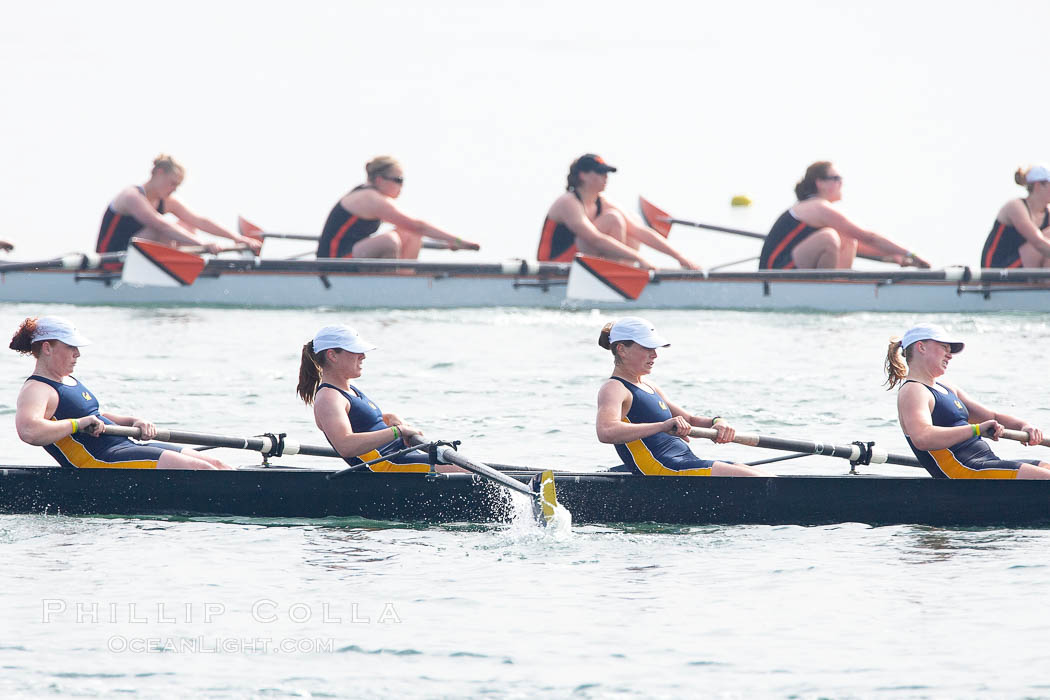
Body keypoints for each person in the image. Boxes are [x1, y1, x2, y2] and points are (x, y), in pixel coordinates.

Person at [11, 316, 232, 470]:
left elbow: (95, 415)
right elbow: (29, 431)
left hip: (126, 447)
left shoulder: (67, 380)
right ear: (47, 348)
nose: (77, 354)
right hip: (100, 462)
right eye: (70, 347)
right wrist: (78, 424)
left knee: (217, 465)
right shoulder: (37, 389)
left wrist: (134, 420)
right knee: (200, 468)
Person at [595, 317, 770, 476]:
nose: (654, 355)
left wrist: (717, 422)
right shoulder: (614, 388)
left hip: (684, 462)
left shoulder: (649, 385)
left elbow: (689, 419)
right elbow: (606, 432)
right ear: (622, 349)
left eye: (654, 349)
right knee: (755, 478)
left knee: (765, 476)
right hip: (662, 470)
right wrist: (662, 426)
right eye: (646, 348)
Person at [885, 323, 1050, 479]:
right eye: (944, 348)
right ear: (921, 347)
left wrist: (1024, 426)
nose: (949, 355)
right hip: (964, 472)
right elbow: (922, 437)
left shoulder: (947, 387)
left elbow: (991, 415)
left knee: (1045, 468)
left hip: (986, 463)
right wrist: (976, 430)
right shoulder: (913, 390)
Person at [296, 324, 463, 472]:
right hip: (387, 466)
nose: (363, 356)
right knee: (467, 471)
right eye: (355, 350)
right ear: (332, 355)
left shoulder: (346, 390)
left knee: (476, 468)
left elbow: (362, 423)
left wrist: (390, 418)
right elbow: (345, 445)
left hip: (401, 456)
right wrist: (398, 431)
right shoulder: (328, 397)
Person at [537, 154, 699, 270]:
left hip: (583, 265)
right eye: (600, 172)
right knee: (613, 219)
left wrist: (679, 257)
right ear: (583, 175)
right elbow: (596, 239)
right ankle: (617, 273)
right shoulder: (568, 202)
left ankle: (623, 274)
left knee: (632, 221)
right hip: (553, 265)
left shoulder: (602, 201)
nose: (605, 177)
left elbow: (639, 231)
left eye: (606, 173)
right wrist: (639, 258)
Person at [759, 161, 931, 270]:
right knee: (829, 238)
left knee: (847, 239)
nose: (841, 183)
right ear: (820, 183)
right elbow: (868, 237)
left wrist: (894, 257)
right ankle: (830, 290)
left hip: (792, 265)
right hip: (774, 273)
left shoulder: (817, 209)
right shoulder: (818, 207)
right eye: (836, 178)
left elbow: (861, 245)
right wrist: (911, 254)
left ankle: (839, 286)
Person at [95, 154, 261, 257]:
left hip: (137, 258)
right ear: (159, 173)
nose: (174, 189)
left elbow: (200, 221)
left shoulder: (167, 201)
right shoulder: (131, 196)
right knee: (162, 230)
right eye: (172, 183)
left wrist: (238, 239)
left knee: (187, 226)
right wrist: (202, 244)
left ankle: (186, 273)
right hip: (111, 259)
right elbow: (160, 225)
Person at [317, 156, 480, 259]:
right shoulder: (369, 199)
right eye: (398, 180)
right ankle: (393, 287)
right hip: (334, 261)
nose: (401, 185)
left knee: (410, 235)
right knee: (389, 241)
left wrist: (447, 243)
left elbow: (413, 229)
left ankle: (405, 281)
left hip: (353, 254)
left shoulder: (372, 197)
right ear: (380, 180)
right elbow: (418, 225)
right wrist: (458, 241)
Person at [980, 165, 1050, 268]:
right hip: (996, 270)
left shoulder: (1047, 213)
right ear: (1038, 185)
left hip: (1023, 268)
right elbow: (1038, 242)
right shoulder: (1015, 207)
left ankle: (1044, 283)